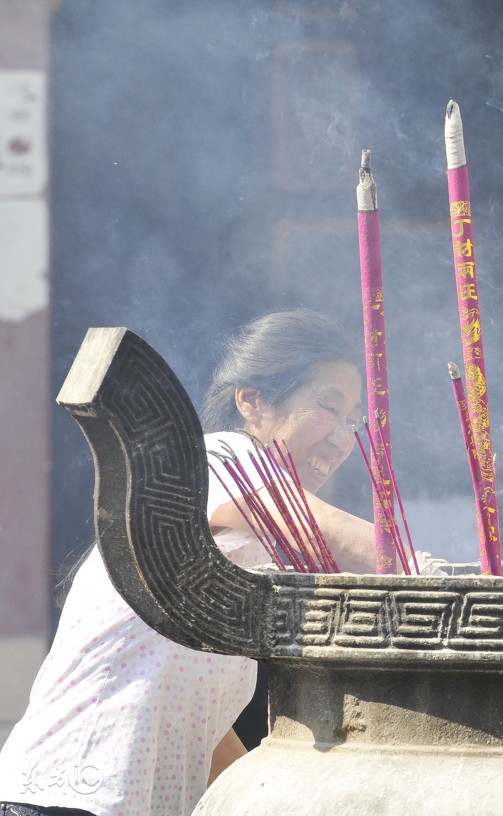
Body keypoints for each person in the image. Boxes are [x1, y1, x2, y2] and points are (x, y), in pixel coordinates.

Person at [0, 310, 381, 816]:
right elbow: (329, 530)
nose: (342, 437)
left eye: (353, 419)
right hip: (68, 798)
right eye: (329, 408)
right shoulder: (215, 461)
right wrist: (427, 568)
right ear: (254, 402)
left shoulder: (252, 547)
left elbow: (197, 718)